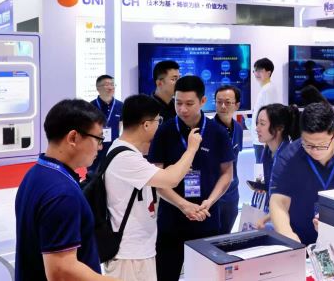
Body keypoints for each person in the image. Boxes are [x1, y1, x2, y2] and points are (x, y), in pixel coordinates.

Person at [15, 99, 116, 281]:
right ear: (73, 138)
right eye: (98, 139)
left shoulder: (36, 173)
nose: (100, 147)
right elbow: (61, 272)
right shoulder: (62, 194)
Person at [104, 94, 202, 281]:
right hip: (129, 254)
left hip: (138, 250)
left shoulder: (128, 152)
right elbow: (171, 179)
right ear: (147, 125)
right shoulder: (125, 158)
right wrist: (191, 149)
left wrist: (183, 204)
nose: (159, 125)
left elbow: (160, 179)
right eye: (158, 120)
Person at [147, 75, 234, 281]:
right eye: (178, 103)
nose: (182, 109)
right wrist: (183, 205)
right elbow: (156, 178)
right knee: (165, 275)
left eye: (189, 104)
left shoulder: (217, 132)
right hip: (171, 219)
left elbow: (227, 174)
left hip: (206, 217)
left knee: (207, 276)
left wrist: (209, 202)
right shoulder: (164, 131)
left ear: (203, 101)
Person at [270, 102, 334, 245]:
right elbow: (279, 202)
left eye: (321, 145)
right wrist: (288, 236)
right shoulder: (288, 158)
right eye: (308, 144)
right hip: (300, 238)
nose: (314, 150)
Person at [254, 103, 300, 228]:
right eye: (257, 123)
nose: (257, 128)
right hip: (271, 213)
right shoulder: (267, 151)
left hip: (288, 220)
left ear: (279, 128)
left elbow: (292, 199)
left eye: (262, 124)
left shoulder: (290, 157)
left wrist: (267, 217)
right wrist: (262, 186)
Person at [213, 85, 244, 235]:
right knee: (211, 237)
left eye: (227, 102)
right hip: (213, 193)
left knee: (227, 234)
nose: (223, 106)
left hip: (232, 192)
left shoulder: (238, 128)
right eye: (219, 102)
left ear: (237, 105)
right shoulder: (208, 130)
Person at [88, 74, 124, 176]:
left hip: (113, 148)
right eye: (107, 84)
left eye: (112, 84)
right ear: (98, 88)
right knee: (93, 177)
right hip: (95, 148)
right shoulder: (91, 106)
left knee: (112, 176)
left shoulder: (120, 105)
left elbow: (121, 126)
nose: (110, 87)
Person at [251, 57, 280, 164]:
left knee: (262, 169)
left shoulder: (268, 89)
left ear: (269, 72)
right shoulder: (265, 88)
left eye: (260, 70)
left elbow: (270, 115)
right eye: (255, 70)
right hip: (260, 139)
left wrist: (267, 140)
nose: (257, 73)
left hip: (263, 140)